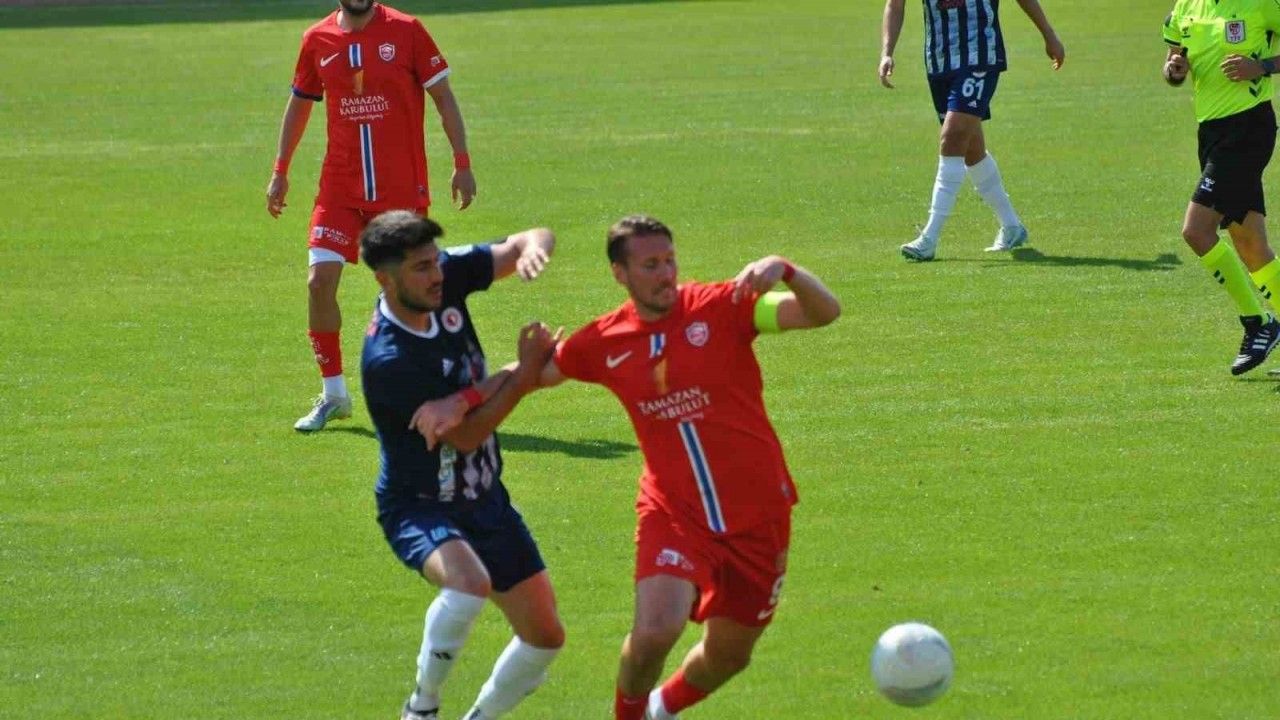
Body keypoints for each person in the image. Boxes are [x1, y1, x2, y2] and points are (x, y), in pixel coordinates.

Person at [416, 215, 841, 720]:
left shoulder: (724, 306)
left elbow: (822, 312)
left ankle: (661, 709)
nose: (666, 274)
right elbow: (532, 373)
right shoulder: (605, 340)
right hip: (675, 513)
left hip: (758, 515)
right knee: (655, 633)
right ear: (620, 274)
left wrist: (787, 269)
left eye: (669, 261)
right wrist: (461, 401)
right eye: (650, 265)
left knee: (728, 656)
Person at [359, 211, 562, 720]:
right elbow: (469, 436)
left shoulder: (444, 276)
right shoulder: (389, 360)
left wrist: (533, 250)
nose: (438, 275)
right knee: (469, 584)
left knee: (545, 638)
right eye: (422, 268)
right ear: (385, 279)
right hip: (420, 505)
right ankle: (422, 706)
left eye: (435, 261)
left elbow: (532, 236)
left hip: (486, 500)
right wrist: (522, 376)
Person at [266, 0, 477, 431]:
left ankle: (438, 386)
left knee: (410, 293)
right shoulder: (317, 39)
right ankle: (334, 395)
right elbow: (300, 104)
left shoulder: (407, 29)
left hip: (400, 188)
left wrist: (462, 162)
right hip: (340, 188)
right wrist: (280, 170)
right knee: (318, 282)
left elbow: (443, 97)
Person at [879, 0, 1065, 261]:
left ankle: (929, 237)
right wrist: (887, 52)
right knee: (971, 150)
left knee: (952, 137)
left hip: (980, 56)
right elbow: (895, 5)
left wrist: (1049, 34)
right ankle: (1011, 226)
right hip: (940, 62)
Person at [1163, 0, 1280, 374]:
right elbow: (1174, 65)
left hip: (1249, 129)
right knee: (1250, 244)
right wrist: (1174, 70)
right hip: (1211, 132)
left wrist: (1261, 67)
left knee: (1196, 231)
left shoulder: (1262, 4)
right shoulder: (1186, 6)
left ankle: (1258, 322)